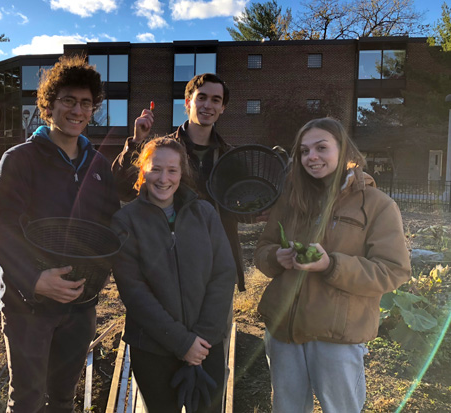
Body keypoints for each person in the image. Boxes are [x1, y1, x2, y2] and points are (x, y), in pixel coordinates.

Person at [254, 117, 411, 412]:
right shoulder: (291, 199)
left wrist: (331, 265)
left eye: (321, 148)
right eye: (304, 151)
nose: (311, 157)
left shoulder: (376, 205)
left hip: (337, 337)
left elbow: (394, 270)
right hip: (284, 330)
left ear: (344, 151)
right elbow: (263, 250)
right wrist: (278, 257)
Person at [0, 55, 120, 413]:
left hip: (81, 304)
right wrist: (34, 279)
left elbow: (112, 225)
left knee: (63, 397)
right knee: (27, 398)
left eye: (86, 103)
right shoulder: (20, 160)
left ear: (93, 109)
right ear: (48, 104)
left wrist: (103, 274)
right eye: (68, 100)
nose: (77, 110)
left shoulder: (98, 167)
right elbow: (1, 230)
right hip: (28, 305)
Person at [111, 137, 236, 412]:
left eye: (172, 170)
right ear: (142, 170)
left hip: (206, 346)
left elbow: (224, 274)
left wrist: (200, 340)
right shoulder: (125, 221)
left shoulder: (204, 213)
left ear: (182, 173)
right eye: (155, 169)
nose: (163, 178)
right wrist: (182, 342)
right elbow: (134, 292)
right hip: (154, 349)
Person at [112, 73, 247, 292]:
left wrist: (255, 210)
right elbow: (123, 190)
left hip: (216, 264)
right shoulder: (163, 151)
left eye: (216, 100)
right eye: (201, 97)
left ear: (223, 108)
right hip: (168, 262)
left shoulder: (230, 158)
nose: (208, 105)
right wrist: (137, 142)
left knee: (215, 325)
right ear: (187, 102)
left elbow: (239, 208)